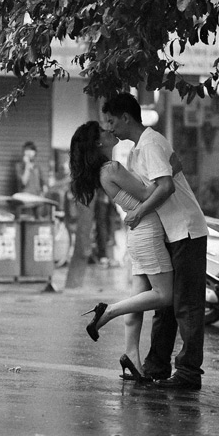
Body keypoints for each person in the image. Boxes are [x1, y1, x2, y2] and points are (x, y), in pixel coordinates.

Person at [102, 93, 208, 390]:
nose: (110, 128)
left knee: (185, 304)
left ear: (126, 117)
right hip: (169, 232)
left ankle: (188, 373)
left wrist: (138, 213)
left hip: (186, 229)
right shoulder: (138, 151)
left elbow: (166, 187)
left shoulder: (150, 143)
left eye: (112, 121)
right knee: (166, 303)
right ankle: (156, 365)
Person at [70, 121, 174, 382]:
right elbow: (150, 191)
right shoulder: (112, 168)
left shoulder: (104, 172)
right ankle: (109, 312)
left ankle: (132, 357)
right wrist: (171, 168)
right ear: (98, 143)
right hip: (147, 231)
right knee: (165, 295)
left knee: (137, 303)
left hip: (138, 234)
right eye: (104, 131)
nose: (110, 131)